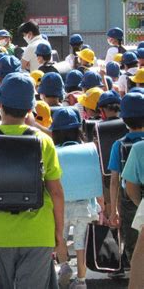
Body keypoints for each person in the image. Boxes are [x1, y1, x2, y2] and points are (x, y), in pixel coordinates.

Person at [0, 72, 65, 288]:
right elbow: (56, 192)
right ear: (30, 109)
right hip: (39, 234)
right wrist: (59, 235)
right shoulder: (44, 142)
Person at [51, 107, 103, 288]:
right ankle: (81, 281)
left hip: (60, 205)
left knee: (60, 237)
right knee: (81, 244)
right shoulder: (89, 150)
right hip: (84, 205)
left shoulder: (53, 151)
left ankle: (64, 265)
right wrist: (102, 207)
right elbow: (96, 180)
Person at [108, 90, 144, 278]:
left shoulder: (118, 145)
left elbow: (114, 180)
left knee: (133, 241)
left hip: (129, 201)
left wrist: (113, 209)